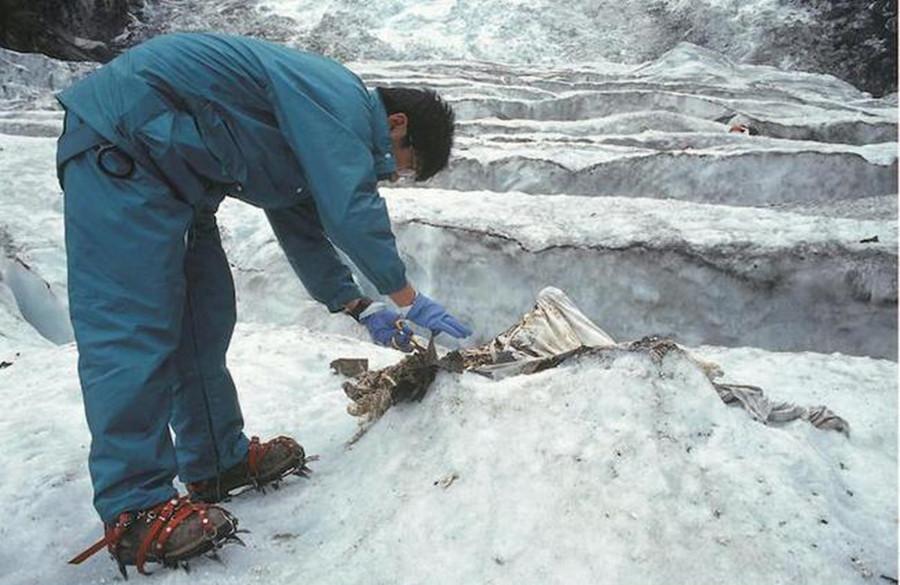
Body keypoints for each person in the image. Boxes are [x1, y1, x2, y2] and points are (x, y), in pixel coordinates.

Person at [57, 32, 471, 576]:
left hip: (175, 176)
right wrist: (408, 298)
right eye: (400, 164)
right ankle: (135, 507)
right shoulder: (341, 100)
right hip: (124, 151)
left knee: (203, 323)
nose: (387, 175)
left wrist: (358, 307)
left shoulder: (315, 122)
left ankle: (215, 463)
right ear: (396, 124)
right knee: (132, 332)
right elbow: (349, 208)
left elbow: (297, 215)